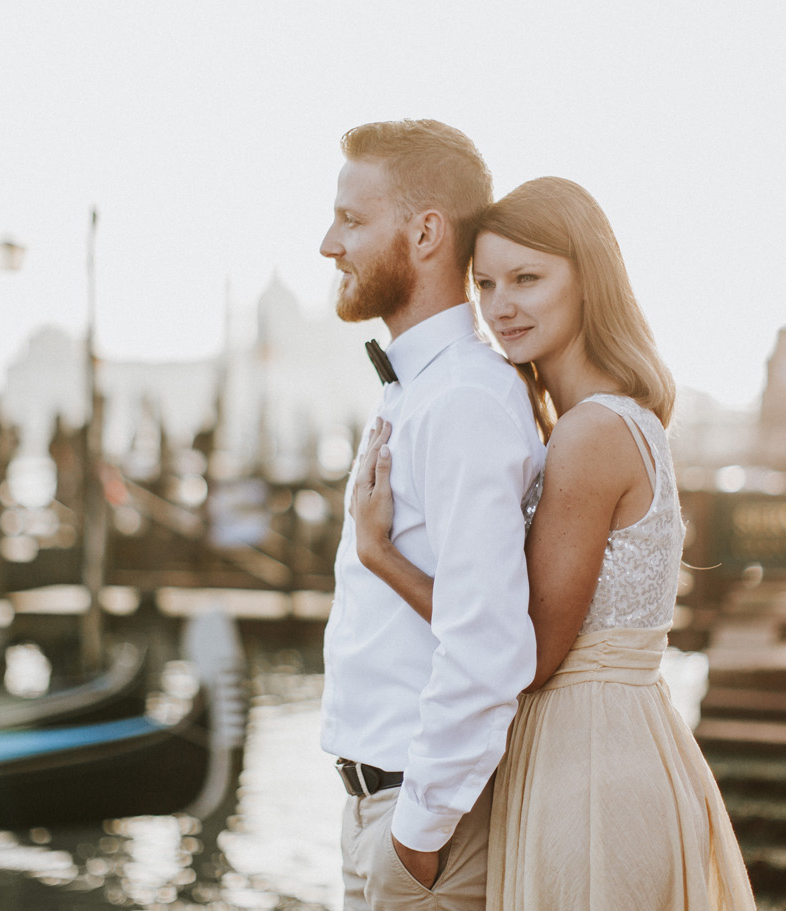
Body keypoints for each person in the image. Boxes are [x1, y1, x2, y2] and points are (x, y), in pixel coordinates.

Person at [352, 177, 755, 910]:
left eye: (528, 278)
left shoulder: (590, 433)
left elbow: (527, 654)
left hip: (589, 762)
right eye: (486, 284)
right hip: (607, 744)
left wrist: (383, 557)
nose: (500, 304)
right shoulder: (604, 421)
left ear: (588, 278)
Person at [318, 120, 547, 911]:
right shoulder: (418, 386)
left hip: (422, 834)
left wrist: (412, 841)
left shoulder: (461, 400)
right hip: (383, 812)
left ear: (423, 232)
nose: (328, 244)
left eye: (351, 220)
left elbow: (488, 643)